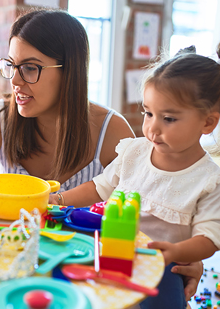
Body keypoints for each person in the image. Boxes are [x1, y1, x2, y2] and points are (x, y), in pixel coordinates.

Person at [0, 8, 203, 304]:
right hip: (13, 261)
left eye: (29, 68)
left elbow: (155, 206)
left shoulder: (111, 130)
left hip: (83, 270)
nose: (15, 81)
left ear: (69, 71)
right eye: (11, 66)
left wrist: (189, 251)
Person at [50, 46, 220, 308]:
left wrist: (176, 252)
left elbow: (209, 238)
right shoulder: (134, 151)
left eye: (169, 118)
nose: (153, 127)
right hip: (110, 252)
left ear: (207, 123)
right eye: (148, 113)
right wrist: (57, 199)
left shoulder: (209, 179)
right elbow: (99, 187)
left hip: (163, 268)